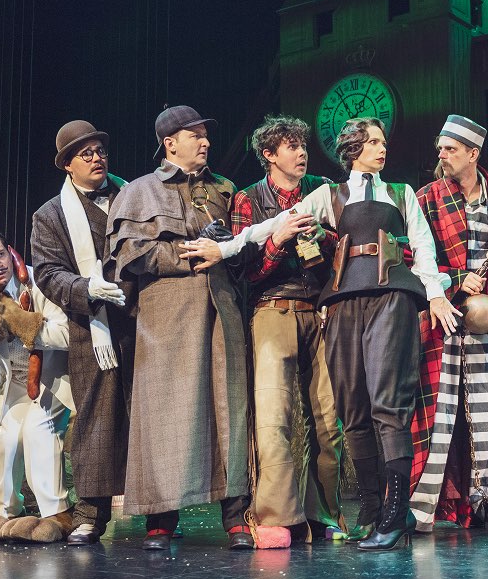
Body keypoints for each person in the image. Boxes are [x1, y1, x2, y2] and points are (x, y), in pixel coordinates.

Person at [182, 117, 459, 552]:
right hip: (343, 301)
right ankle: (371, 510)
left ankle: (395, 511)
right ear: (352, 149)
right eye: (372, 142)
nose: (381, 148)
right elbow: (268, 228)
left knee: (387, 403)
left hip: (390, 295)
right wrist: (224, 247)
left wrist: (435, 295)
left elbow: (424, 247)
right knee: (352, 406)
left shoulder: (401, 192)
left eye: (383, 141)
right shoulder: (331, 195)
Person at [105, 105, 252, 551]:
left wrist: (228, 250)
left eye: (206, 135)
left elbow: (244, 248)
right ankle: (161, 519)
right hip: (166, 317)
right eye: (195, 135)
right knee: (164, 413)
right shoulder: (138, 191)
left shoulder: (225, 190)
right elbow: (129, 256)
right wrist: (189, 254)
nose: (205, 142)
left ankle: (236, 517)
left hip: (222, 309)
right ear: (170, 144)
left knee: (230, 408)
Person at [409, 115, 488, 532]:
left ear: (473, 154)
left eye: (450, 149)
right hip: (443, 317)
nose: (442, 155)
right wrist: (457, 278)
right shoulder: (426, 199)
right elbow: (411, 261)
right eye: (441, 148)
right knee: (437, 414)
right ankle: (420, 508)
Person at [228, 115, 344, 547]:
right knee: (273, 416)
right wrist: (278, 240)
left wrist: (322, 235)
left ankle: (324, 512)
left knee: (329, 420)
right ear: (269, 155)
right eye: (291, 146)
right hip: (272, 309)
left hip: (320, 311)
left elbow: (345, 247)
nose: (301, 153)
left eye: (303, 145)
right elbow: (243, 271)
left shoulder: (322, 189)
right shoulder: (248, 199)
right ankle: (277, 516)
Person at [31, 120, 136, 546]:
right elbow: (47, 272)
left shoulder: (133, 194)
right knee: (96, 421)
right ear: (67, 165)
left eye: (100, 151)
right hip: (93, 328)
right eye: (86, 153)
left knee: (149, 417)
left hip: (143, 320)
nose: (97, 158)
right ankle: (91, 514)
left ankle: (161, 512)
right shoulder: (51, 215)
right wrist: (86, 288)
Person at [0, 227, 75, 543]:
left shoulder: (41, 282)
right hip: (15, 383)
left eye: (0, 254)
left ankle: (57, 514)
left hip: (54, 377)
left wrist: (19, 322)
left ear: (10, 252)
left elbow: (67, 336)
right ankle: (5, 514)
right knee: (7, 440)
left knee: (37, 430)